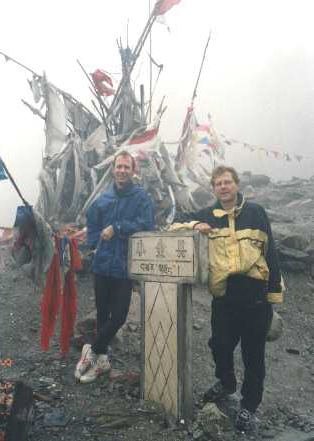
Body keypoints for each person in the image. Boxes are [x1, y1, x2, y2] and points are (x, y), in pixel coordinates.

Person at [173, 165, 283, 432]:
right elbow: (174, 220)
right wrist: (195, 224)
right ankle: (227, 382)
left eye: (227, 182)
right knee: (219, 344)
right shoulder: (209, 214)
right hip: (224, 295)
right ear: (214, 189)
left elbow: (271, 253)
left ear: (237, 184)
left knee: (253, 355)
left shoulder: (256, 212)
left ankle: (248, 407)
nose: (223, 187)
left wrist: (274, 295)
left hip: (256, 295)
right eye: (218, 184)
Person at [74, 151, 155, 384]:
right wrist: (94, 245)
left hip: (124, 265)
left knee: (118, 317)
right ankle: (102, 361)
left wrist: (118, 227)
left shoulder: (141, 198)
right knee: (102, 315)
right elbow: (92, 224)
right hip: (102, 265)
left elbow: (148, 224)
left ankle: (93, 350)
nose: (122, 171)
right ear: (113, 169)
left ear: (133, 170)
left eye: (126, 167)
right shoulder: (104, 198)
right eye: (118, 167)